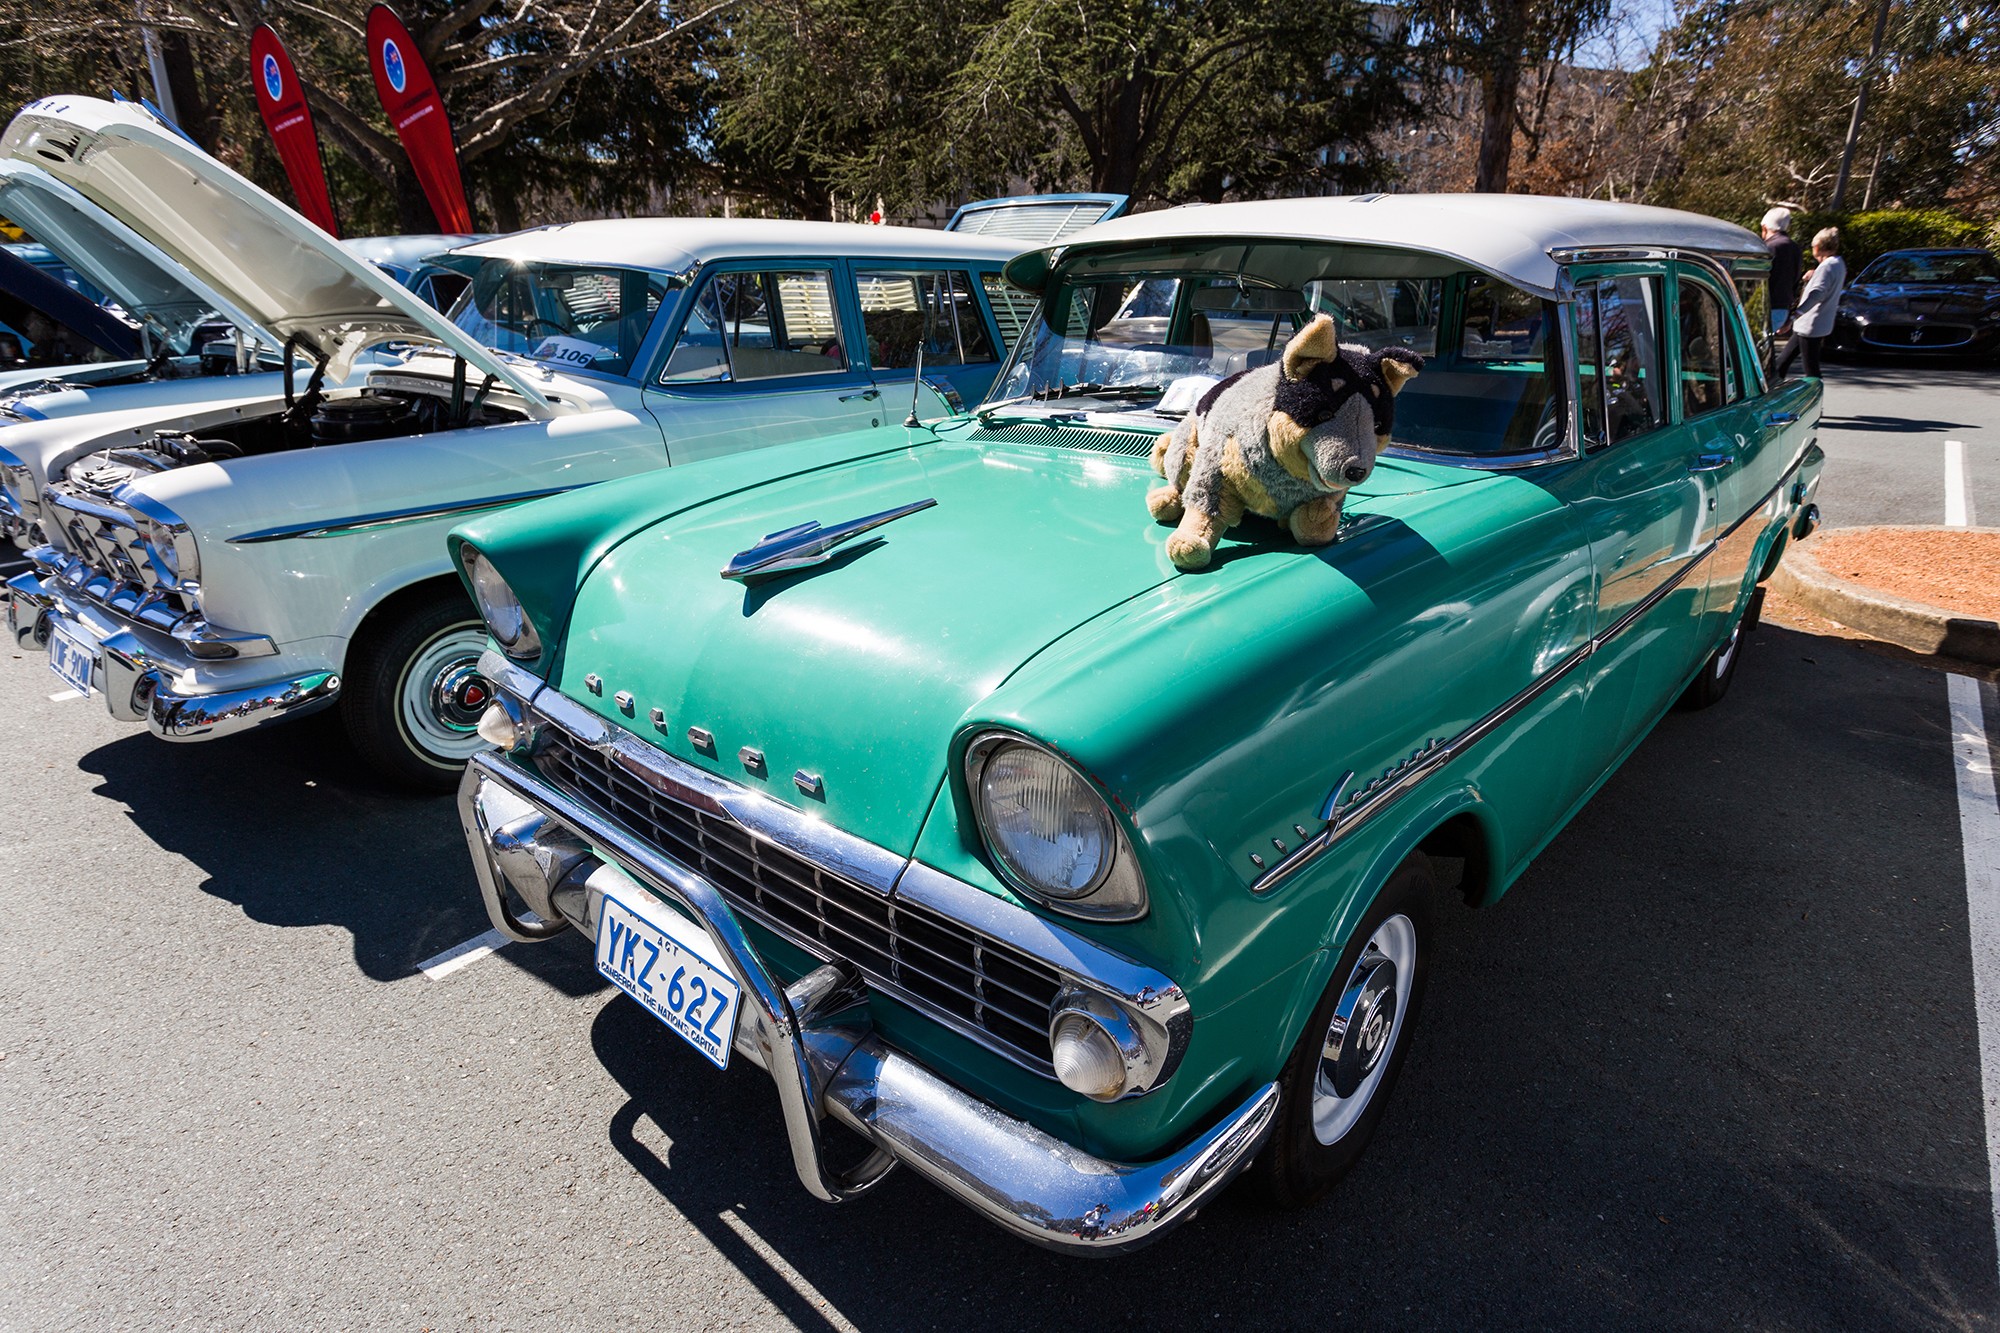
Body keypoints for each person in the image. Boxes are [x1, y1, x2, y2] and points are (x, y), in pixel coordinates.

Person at [1772, 227, 1845, 379]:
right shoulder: (1838, 264)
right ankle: (1773, 391)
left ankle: (1815, 398)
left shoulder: (1826, 267)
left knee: (1811, 371)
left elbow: (1818, 294)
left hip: (1810, 324)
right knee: (1781, 363)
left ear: (1818, 247)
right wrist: (1814, 275)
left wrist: (1795, 315)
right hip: (1816, 325)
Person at [1762, 207, 1802, 343]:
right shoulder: (1795, 248)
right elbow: (1796, 281)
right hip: (1782, 309)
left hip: (1764, 306)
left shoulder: (1768, 248)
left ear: (1764, 227)